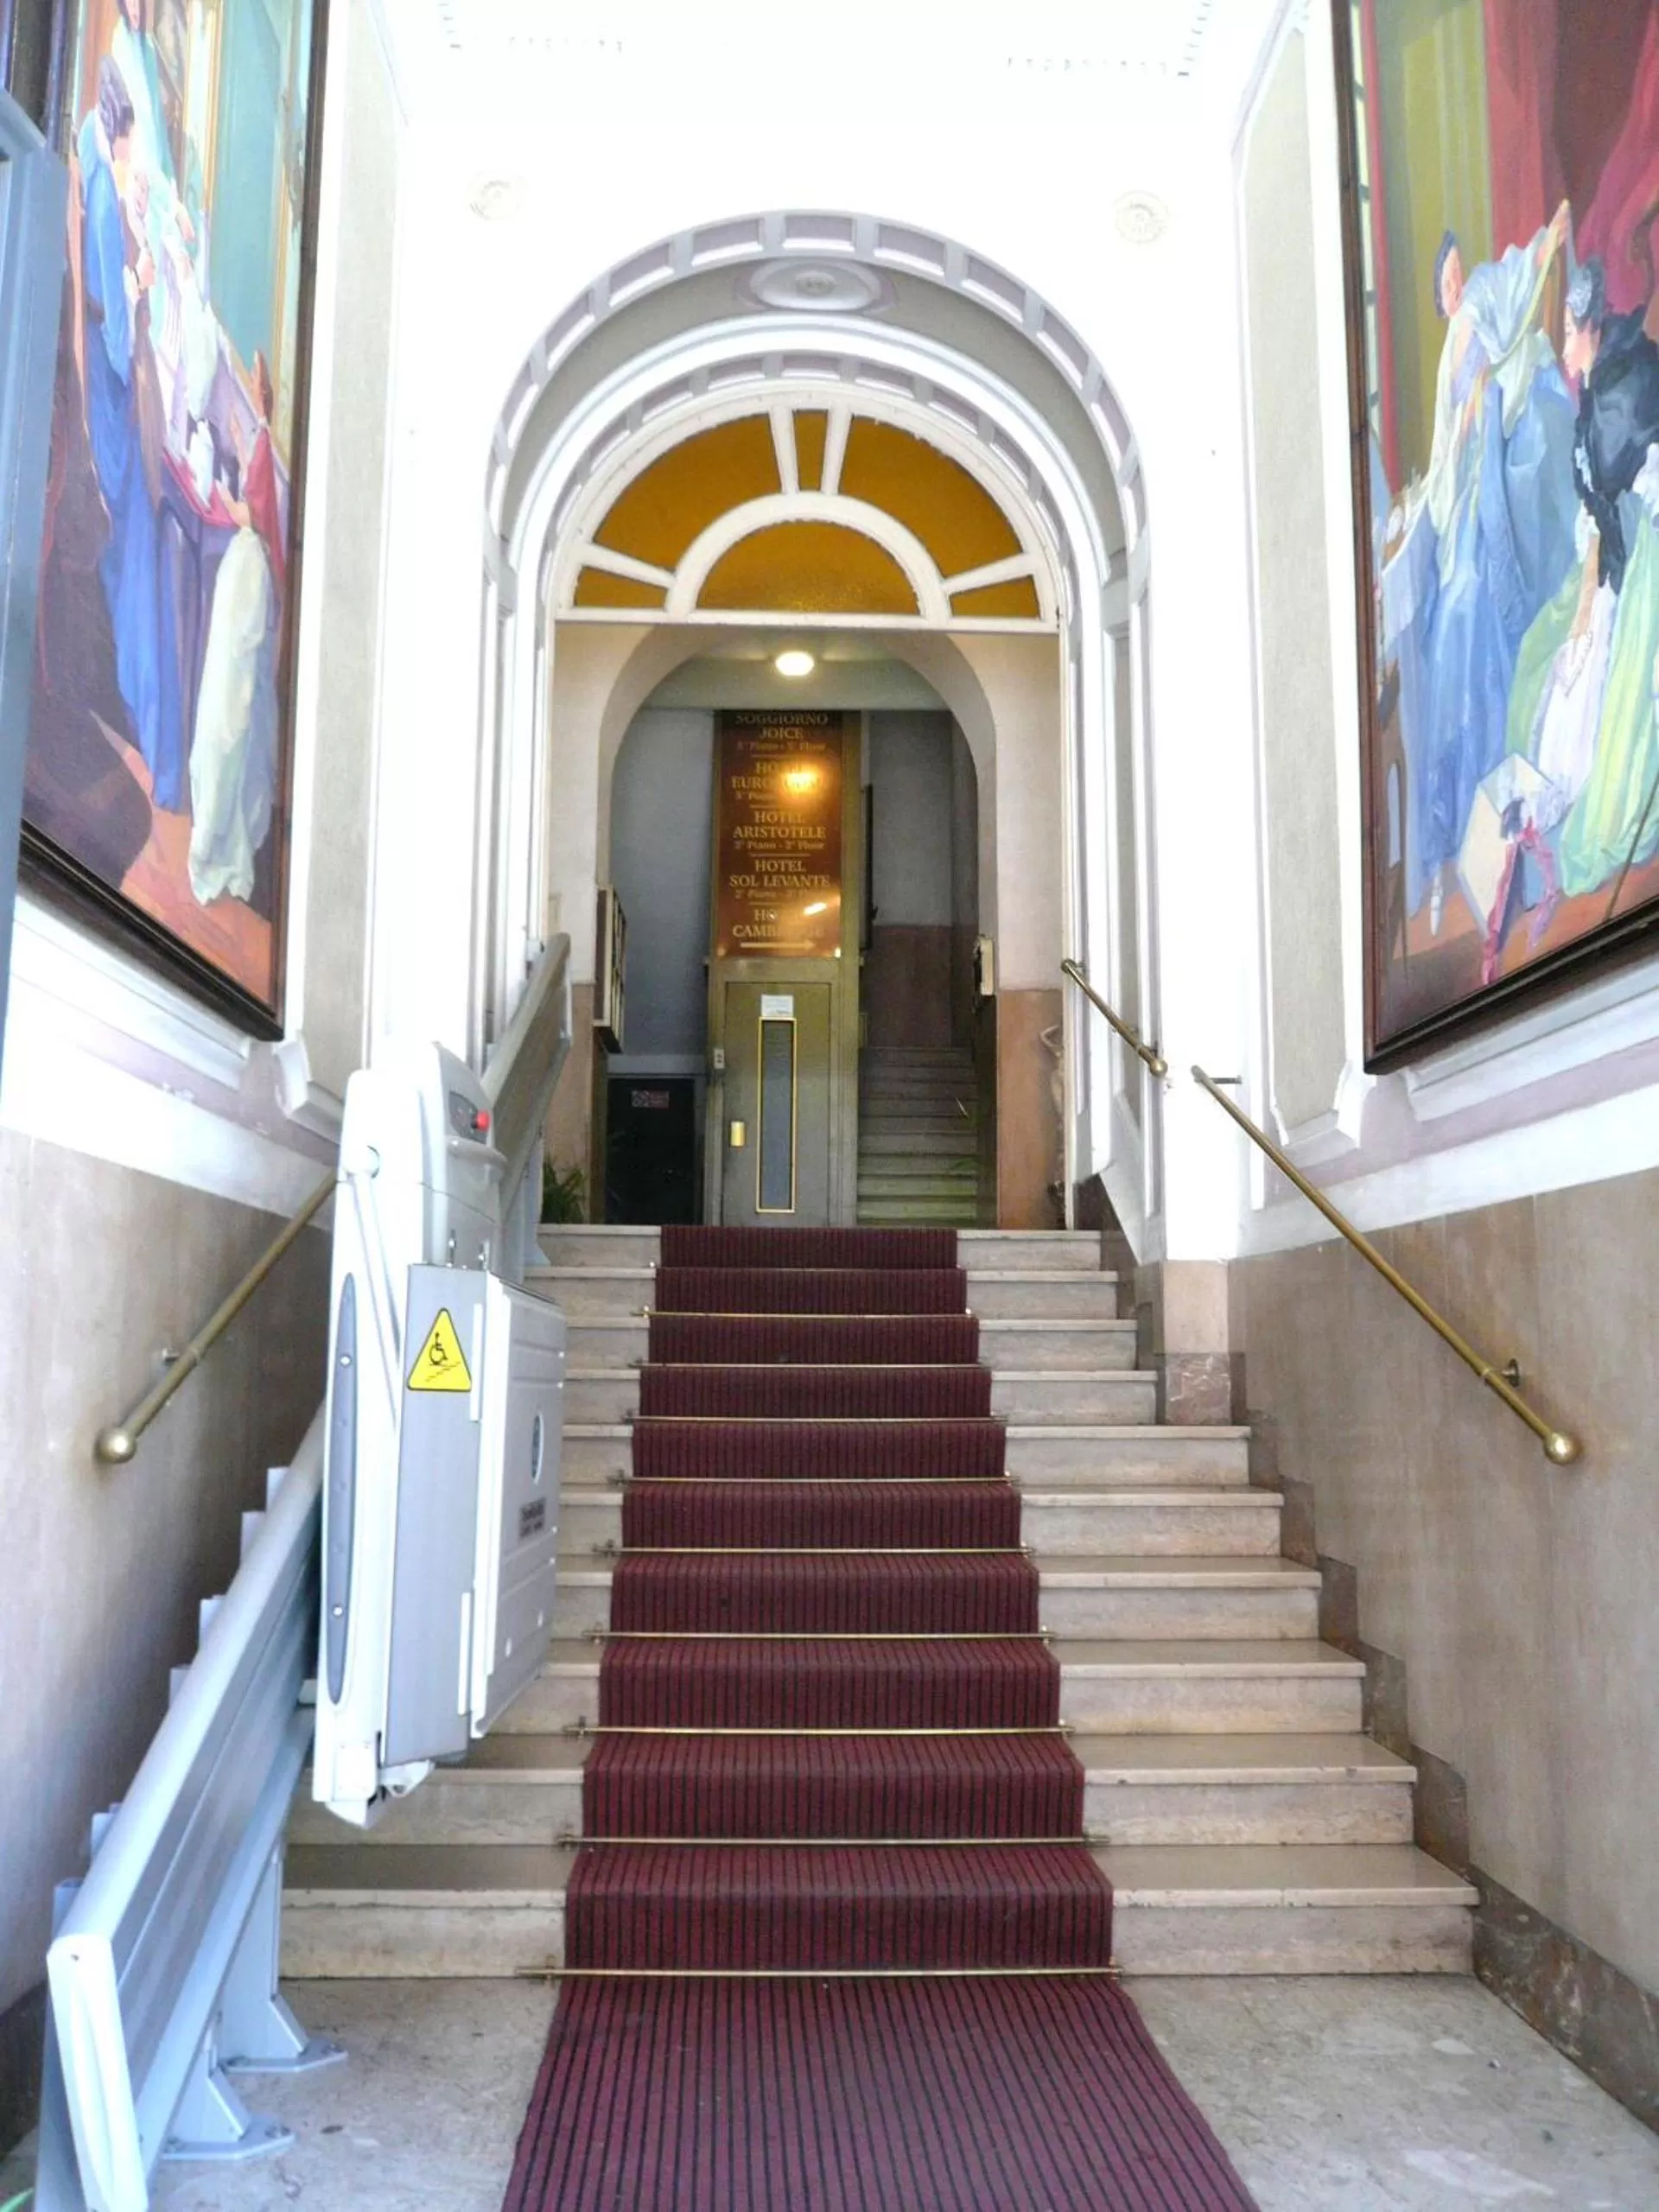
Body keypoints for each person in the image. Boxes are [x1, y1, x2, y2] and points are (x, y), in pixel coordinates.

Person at [1400, 207, 1580, 934]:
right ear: (1437, 297)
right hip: (1464, 496)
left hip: (1490, 497)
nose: (1453, 285)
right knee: (1455, 645)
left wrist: (1543, 246)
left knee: (1479, 624)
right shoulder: (1451, 346)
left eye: (1454, 271)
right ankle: (1466, 842)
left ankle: (1510, 831)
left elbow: (1512, 283)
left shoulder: (1481, 303)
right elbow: (1446, 448)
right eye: (1443, 280)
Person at [1492, 256, 1659, 973]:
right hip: (1615, 545)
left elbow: (1613, 521)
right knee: (1545, 658)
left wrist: (1591, 606)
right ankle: (1534, 826)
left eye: (1569, 332)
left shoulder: (1620, 395)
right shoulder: (1601, 379)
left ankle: (1560, 822)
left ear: (1592, 325)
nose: (1563, 348)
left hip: (1638, 556)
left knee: (1585, 682)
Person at [80, 57, 186, 810]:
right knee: (141, 568)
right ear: (118, 135)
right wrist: (142, 274)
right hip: (114, 419)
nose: (131, 158)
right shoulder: (102, 196)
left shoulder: (103, 184)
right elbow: (119, 344)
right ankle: (149, 734)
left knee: (139, 567)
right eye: (130, 145)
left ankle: (145, 725)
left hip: (115, 411)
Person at [188, 354, 283, 904]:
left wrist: (227, 504)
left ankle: (219, 842)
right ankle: (219, 832)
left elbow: (259, 516)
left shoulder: (266, 446)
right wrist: (240, 445)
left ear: (262, 392)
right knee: (223, 704)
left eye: (254, 384)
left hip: (246, 580)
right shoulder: (262, 442)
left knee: (230, 706)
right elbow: (259, 484)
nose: (250, 387)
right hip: (242, 575)